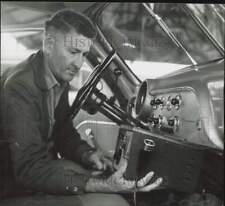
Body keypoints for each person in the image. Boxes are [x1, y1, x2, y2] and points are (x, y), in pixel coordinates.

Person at [2, 9, 162, 206]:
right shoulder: (21, 86)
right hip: (11, 188)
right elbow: (28, 170)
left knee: (95, 178)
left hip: (38, 171)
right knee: (112, 204)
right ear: (49, 44)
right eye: (73, 52)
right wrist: (99, 185)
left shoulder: (57, 74)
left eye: (84, 54)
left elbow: (62, 132)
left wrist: (89, 154)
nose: (79, 63)